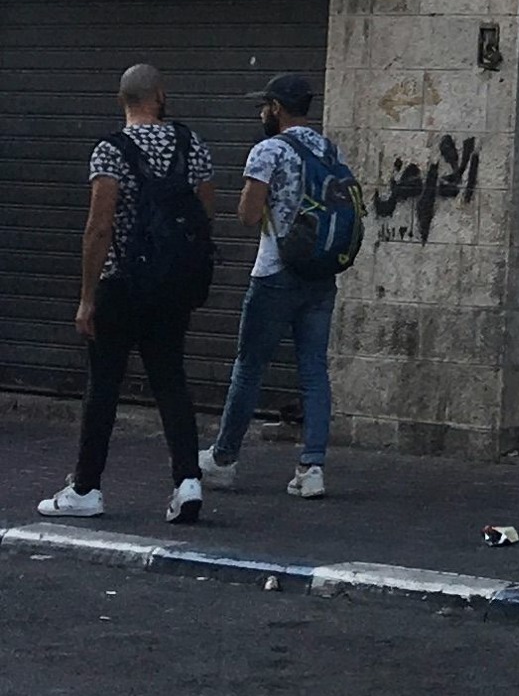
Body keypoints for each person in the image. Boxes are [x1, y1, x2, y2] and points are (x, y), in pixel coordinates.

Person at [38, 65, 214, 523]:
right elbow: (203, 214)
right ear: (160, 95)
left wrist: (87, 297)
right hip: (170, 287)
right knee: (171, 381)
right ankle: (188, 481)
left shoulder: (110, 151)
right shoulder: (191, 144)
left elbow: (99, 228)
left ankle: (86, 488)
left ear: (122, 100)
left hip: (120, 284)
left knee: (103, 387)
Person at [205, 73, 342, 498]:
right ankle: (312, 468)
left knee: (249, 366)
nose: (262, 112)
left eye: (265, 105)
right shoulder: (328, 149)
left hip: (276, 273)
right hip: (320, 274)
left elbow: (248, 216)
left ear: (277, 109)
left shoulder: (270, 150)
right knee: (314, 370)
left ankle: (224, 459)